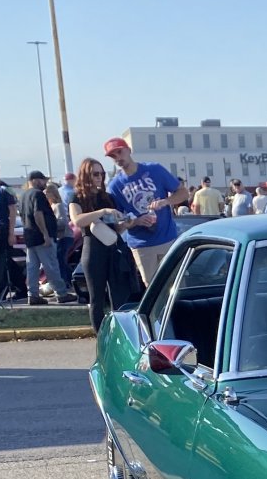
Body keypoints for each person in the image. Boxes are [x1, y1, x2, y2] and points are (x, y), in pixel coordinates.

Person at [103, 136, 188, 286]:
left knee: (178, 286)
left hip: (168, 238)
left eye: (119, 152)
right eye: (112, 156)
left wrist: (165, 201)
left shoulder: (154, 169)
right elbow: (119, 223)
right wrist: (136, 221)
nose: (117, 158)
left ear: (129, 150)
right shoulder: (115, 186)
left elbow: (183, 193)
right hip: (141, 246)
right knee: (154, 290)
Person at [70, 156, 142, 332]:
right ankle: (100, 334)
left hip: (112, 248)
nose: (99, 178)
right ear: (86, 175)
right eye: (95, 174)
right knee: (97, 297)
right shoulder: (77, 197)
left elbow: (115, 229)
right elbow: (77, 221)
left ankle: (120, 333)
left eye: (101, 174)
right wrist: (101, 212)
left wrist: (126, 224)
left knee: (119, 296)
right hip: (93, 250)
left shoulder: (107, 197)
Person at [18, 170, 76, 304]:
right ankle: (61, 293)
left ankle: (32, 294)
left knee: (32, 267)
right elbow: (38, 213)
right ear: (35, 180)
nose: (44, 183)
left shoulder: (23, 196)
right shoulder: (37, 194)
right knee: (51, 265)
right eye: (42, 180)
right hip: (41, 236)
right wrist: (45, 234)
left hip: (30, 236)